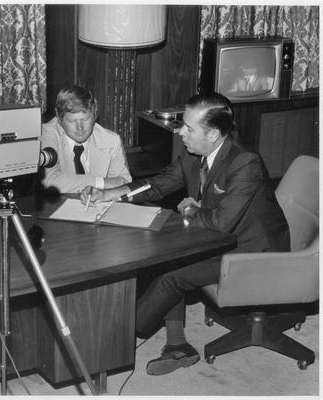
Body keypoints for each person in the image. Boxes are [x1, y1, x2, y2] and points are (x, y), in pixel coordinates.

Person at [79, 92, 290, 376]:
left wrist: (189, 210)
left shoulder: (245, 163)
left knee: (171, 276)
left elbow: (222, 222)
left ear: (213, 134)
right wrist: (109, 195)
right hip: (220, 240)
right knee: (167, 258)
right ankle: (178, 346)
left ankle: (123, 330)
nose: (181, 132)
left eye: (189, 128)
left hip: (252, 251)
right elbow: (157, 185)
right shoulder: (193, 155)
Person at [40, 85, 132, 193]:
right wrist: (100, 183)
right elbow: (49, 181)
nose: (80, 128)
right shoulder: (48, 133)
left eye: (85, 119)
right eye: (72, 121)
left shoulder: (111, 141)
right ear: (59, 119)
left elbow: (123, 184)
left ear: (94, 115)